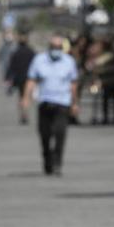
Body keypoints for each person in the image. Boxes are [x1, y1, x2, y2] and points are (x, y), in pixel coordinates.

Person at [21, 34, 80, 176]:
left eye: (59, 47)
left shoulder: (69, 62)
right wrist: (26, 98)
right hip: (45, 102)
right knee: (45, 135)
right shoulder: (39, 60)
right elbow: (31, 80)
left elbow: (73, 84)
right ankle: (47, 160)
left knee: (60, 133)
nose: (56, 50)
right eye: (53, 47)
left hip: (62, 103)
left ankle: (57, 163)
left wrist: (74, 103)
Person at [5, 33, 36, 124]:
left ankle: (22, 113)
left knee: (21, 96)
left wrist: (8, 77)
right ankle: (25, 113)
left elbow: (11, 66)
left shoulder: (16, 52)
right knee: (27, 96)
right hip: (29, 78)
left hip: (19, 78)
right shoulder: (31, 52)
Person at [93, 38, 114, 125]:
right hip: (106, 81)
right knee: (106, 100)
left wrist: (104, 71)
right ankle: (106, 117)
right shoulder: (103, 55)